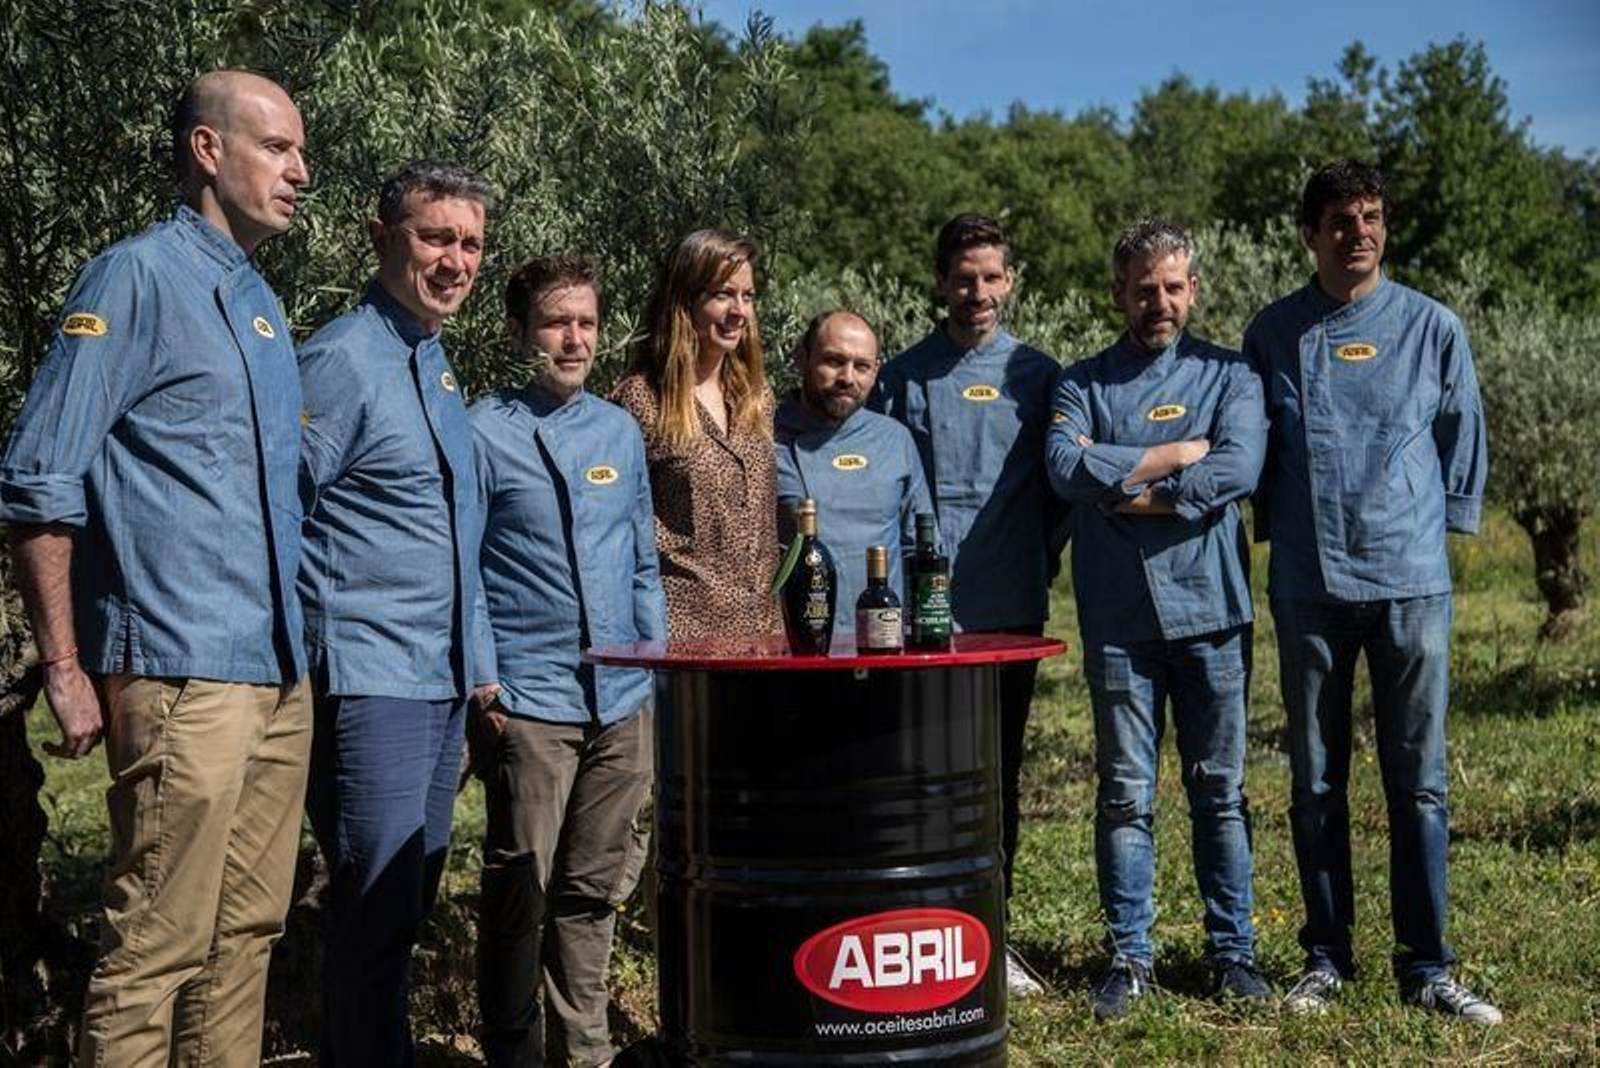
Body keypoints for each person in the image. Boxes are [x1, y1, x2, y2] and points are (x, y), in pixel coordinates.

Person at [0, 71, 310, 1065]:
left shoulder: (261, 304)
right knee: (155, 949)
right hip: (180, 669)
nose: (300, 172)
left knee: (245, 938)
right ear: (208, 151)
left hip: (277, 673)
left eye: (302, 152)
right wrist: (63, 666)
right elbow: (40, 478)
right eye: (277, 147)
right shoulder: (130, 279)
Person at [1247, 159, 1498, 1024]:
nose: (1360, 233)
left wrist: (1440, 525)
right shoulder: (1272, 332)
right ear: (1309, 234)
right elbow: (1254, 446)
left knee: (1419, 781)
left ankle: (1428, 965)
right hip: (1308, 584)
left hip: (1410, 583)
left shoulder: (1433, 327)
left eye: (1372, 217)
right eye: (1341, 221)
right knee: (1315, 782)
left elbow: (1462, 431)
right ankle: (1325, 957)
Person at [1046, 220, 1270, 1020]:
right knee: (1124, 795)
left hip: (1213, 613)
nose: (1160, 302)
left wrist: (1130, 490)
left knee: (1220, 792)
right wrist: (1176, 455)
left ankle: (1233, 954)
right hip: (1119, 619)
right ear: (1119, 294)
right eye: (1145, 289)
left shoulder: (1231, 374)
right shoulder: (1081, 384)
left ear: (1193, 290)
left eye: (1174, 287)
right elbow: (1065, 467)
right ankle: (1130, 957)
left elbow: (1240, 466)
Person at [297, 159, 492, 1063]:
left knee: (405, 904)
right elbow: (277, 509)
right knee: (373, 912)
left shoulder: (433, 361)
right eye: (436, 237)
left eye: (471, 243)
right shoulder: (341, 359)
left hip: (437, 677)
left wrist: (478, 671)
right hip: (368, 676)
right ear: (381, 238)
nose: (456, 260)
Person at [470, 256, 665, 1066]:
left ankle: (584, 1053)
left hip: (620, 699)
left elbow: (643, 563)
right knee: (520, 891)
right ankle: (513, 1051)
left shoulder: (619, 431)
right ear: (520, 332)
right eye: (557, 322)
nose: (574, 338)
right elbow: (463, 571)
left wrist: (650, 667)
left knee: (591, 892)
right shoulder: (481, 432)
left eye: (586, 322)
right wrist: (487, 684)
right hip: (531, 698)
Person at [871, 213, 1065, 995]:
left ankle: (991, 933)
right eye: (962, 278)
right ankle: (921, 925)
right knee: (921, 772)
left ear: (1009, 282)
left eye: (989, 277)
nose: (976, 291)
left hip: (1010, 605)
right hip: (922, 614)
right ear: (940, 283)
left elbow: (1060, 493)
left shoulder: (1038, 376)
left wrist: (1033, 558)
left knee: (997, 772)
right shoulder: (903, 377)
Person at [611, 229, 782, 641]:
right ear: (684, 300)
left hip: (764, 638)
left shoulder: (756, 397)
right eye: (723, 295)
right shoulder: (640, 400)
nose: (739, 311)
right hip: (683, 640)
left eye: (748, 296)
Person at [775, 309, 932, 635]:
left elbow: (920, 547)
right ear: (801, 358)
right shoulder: (766, 437)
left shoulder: (895, 440)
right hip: (795, 642)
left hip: (881, 639)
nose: (847, 378)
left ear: (876, 372)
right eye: (834, 361)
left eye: (862, 366)